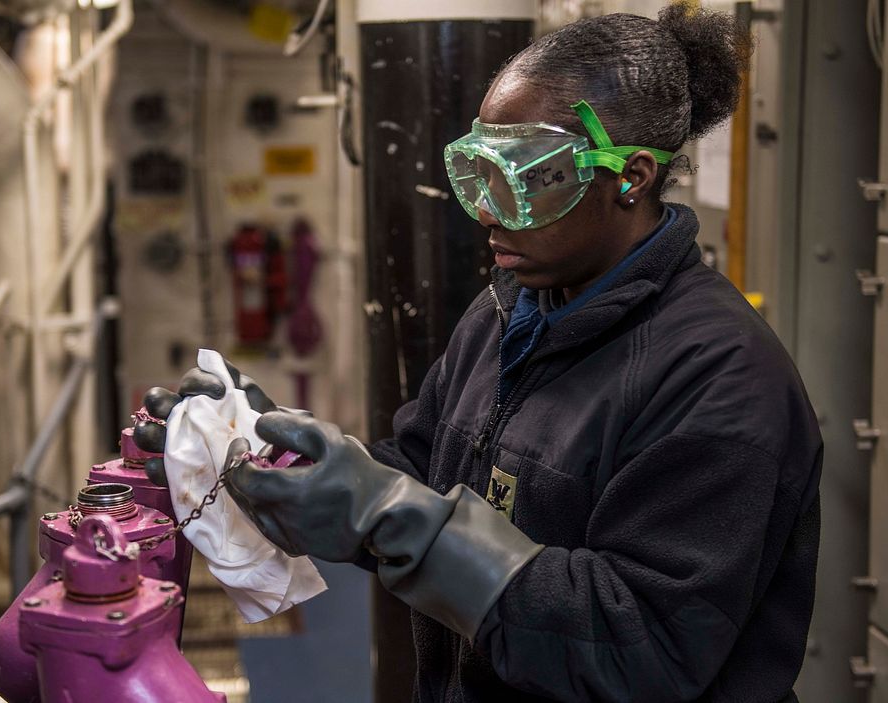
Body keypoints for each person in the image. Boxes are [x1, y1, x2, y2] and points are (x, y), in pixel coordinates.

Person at [136, 4, 822, 701]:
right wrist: (272, 451)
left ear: (631, 176)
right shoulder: (508, 309)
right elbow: (422, 471)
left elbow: (638, 645)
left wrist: (388, 516)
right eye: (480, 171)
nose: (489, 209)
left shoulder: (721, 377)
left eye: (526, 176)